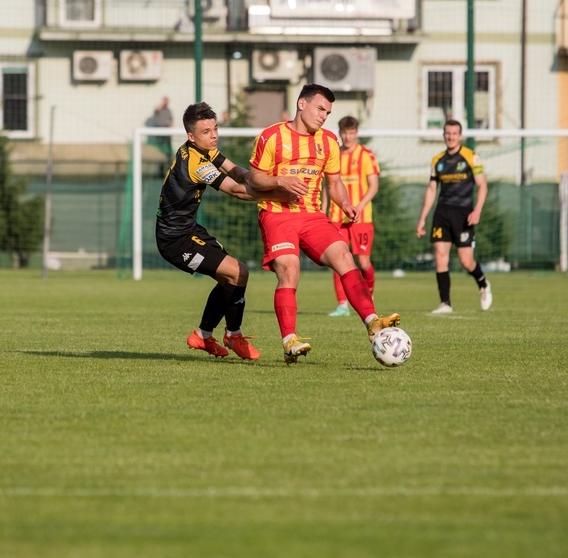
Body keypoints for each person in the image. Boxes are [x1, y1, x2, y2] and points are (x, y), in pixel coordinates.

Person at [246, 84, 400, 364]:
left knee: (345, 257)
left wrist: (345, 203)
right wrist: (280, 180)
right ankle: (289, 340)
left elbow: (335, 183)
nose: (323, 116)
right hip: (277, 214)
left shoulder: (328, 141)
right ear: (301, 103)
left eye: (327, 112)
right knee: (290, 270)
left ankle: (372, 321)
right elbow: (253, 178)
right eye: (319, 108)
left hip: (312, 215)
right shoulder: (271, 136)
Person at [156, 102, 276, 360]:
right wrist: (279, 192)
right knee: (237, 272)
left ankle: (203, 335)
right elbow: (236, 190)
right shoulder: (196, 163)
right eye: (206, 131)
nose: (213, 135)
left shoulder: (203, 149)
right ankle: (232, 335)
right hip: (174, 241)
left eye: (215, 129)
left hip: (189, 231)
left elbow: (237, 172)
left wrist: (264, 179)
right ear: (191, 136)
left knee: (233, 277)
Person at [415, 119, 492, 314]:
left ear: (460, 136)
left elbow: (482, 186)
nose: (450, 137)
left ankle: (483, 283)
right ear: (443, 135)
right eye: (447, 133)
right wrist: (422, 218)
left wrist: (477, 211)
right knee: (440, 256)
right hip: (442, 213)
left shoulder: (471, 157)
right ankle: (445, 303)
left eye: (454, 133)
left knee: (466, 261)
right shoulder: (437, 160)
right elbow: (432, 189)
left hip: (464, 214)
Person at [325, 116, 380, 317]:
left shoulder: (366, 155)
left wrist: (359, 206)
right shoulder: (334, 155)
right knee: (337, 259)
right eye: (344, 133)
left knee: (364, 263)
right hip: (336, 216)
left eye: (351, 133)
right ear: (340, 133)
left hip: (361, 218)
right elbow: (328, 186)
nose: (347, 137)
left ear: (356, 133)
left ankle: (368, 296)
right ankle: (342, 304)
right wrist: (322, 210)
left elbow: (374, 186)